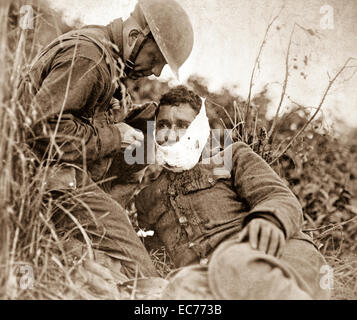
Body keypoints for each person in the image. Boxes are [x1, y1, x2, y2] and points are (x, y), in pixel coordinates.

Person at [18, 0, 194, 295]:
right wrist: (115, 135)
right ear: (137, 35)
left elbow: (78, 118)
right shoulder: (91, 56)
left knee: (150, 123)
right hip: (43, 180)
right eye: (156, 57)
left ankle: (100, 227)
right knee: (142, 273)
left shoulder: (106, 56)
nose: (157, 71)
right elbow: (42, 131)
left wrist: (135, 122)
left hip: (64, 175)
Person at [134, 86, 331, 300]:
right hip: (212, 278)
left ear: (199, 129)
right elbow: (154, 253)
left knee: (232, 260)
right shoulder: (146, 198)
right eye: (163, 125)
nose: (171, 134)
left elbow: (277, 196)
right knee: (180, 286)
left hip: (272, 255)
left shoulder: (233, 156)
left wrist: (268, 220)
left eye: (182, 125)